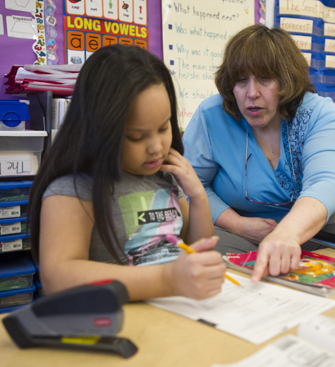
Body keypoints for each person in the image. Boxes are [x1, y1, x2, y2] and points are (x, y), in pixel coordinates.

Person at [182, 25, 335, 283]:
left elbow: (327, 182)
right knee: (212, 272)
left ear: (286, 81)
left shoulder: (318, 113)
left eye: (265, 79)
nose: (251, 92)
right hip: (236, 227)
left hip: (317, 222)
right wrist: (237, 224)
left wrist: (287, 232)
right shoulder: (212, 115)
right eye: (241, 80)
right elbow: (189, 185)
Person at [28, 45, 226, 301]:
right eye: (136, 136)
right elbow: (58, 277)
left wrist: (198, 196)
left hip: (174, 313)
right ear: (98, 128)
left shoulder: (163, 177)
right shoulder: (75, 188)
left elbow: (195, 249)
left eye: (164, 127)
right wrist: (166, 280)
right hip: (116, 320)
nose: (156, 148)